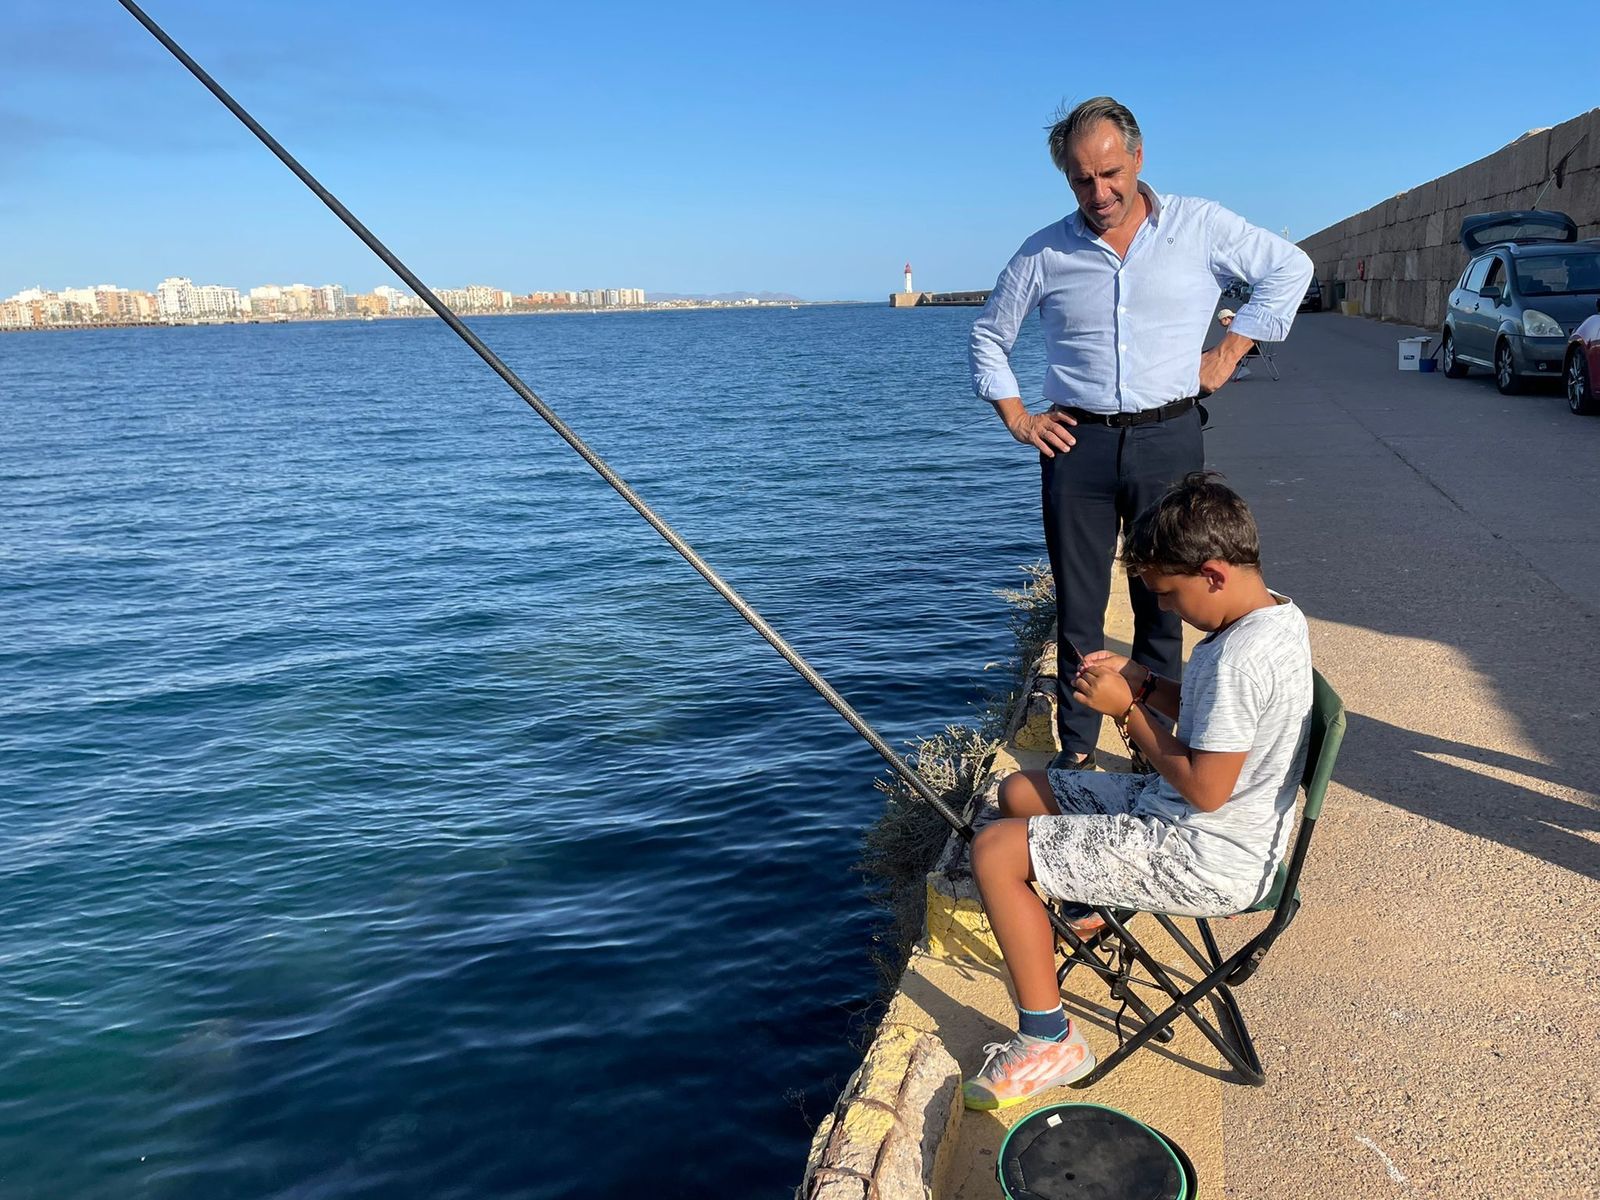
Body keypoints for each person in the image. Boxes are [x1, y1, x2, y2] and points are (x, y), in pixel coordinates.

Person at [970, 97, 1313, 770]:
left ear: (1137, 157)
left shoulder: (1201, 225)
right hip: (1078, 445)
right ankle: (1075, 752)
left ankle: (1156, 751)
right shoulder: (1044, 251)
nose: (1099, 193)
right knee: (1079, 607)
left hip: (1170, 436)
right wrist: (1017, 417)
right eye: (1081, 180)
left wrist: (1227, 352)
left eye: (1110, 174)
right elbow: (988, 336)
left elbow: (1290, 269)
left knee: (1166, 601)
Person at [960, 471, 1313, 1110]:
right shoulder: (1271, 617)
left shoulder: (1239, 659)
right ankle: (1092, 907)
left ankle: (1050, 1040)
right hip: (1194, 822)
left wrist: (1127, 712)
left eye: (1171, 596)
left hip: (1206, 852)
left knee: (993, 852)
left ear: (1212, 573)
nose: (1168, 611)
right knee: (1020, 793)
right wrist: (1145, 683)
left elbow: (1207, 788)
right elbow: (1217, 717)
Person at [1216, 308, 1251, 379]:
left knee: (1225, 352)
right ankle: (1241, 368)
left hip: (1249, 347)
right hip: (1251, 345)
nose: (1220, 323)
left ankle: (1241, 368)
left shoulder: (1232, 328)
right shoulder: (1237, 322)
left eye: (1220, 321)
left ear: (1226, 319)